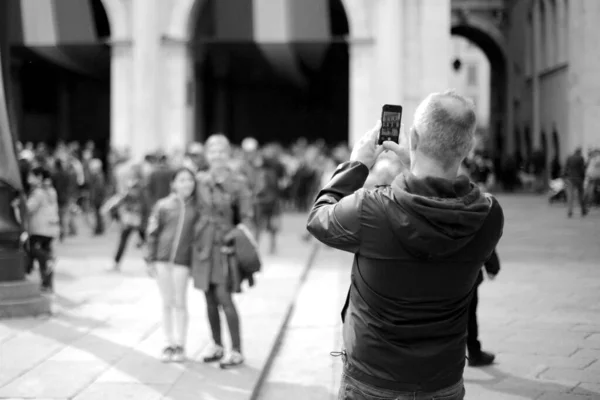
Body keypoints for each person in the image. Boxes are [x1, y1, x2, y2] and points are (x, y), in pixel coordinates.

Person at [307, 90, 504, 399]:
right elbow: (455, 195)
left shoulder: (370, 209)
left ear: (413, 136)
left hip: (372, 381)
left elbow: (319, 218)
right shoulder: (489, 215)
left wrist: (357, 165)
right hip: (443, 381)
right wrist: (421, 162)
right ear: (468, 146)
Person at [192, 134, 255, 369]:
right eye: (212, 151)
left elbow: (248, 218)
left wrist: (234, 238)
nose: (217, 155)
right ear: (206, 155)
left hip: (225, 247)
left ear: (228, 154)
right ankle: (217, 345)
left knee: (224, 298)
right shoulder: (199, 180)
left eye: (221, 151)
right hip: (202, 247)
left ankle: (237, 350)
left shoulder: (238, 182)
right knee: (208, 298)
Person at [146, 168, 198, 363]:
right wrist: (149, 259)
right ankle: (168, 342)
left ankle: (181, 344)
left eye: (190, 180)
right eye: (182, 180)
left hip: (182, 262)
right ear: (173, 184)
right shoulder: (163, 206)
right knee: (167, 302)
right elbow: (152, 233)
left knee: (180, 302)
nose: (187, 184)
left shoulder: (196, 208)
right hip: (162, 260)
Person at [24, 166, 60, 293]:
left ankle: (29, 276)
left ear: (38, 177)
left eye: (31, 176)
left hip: (39, 229)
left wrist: (19, 204)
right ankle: (47, 284)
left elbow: (29, 208)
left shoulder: (38, 192)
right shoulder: (51, 190)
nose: (28, 178)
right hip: (51, 229)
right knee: (44, 255)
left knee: (33, 251)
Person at [467, 249, 500, 367]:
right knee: (468, 314)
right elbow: (484, 233)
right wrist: (492, 265)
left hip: (435, 271)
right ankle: (474, 353)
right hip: (465, 271)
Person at [563, 147, 587, 218]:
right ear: (579, 152)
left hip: (570, 179)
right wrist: (583, 177)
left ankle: (570, 211)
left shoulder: (569, 158)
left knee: (570, 196)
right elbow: (582, 169)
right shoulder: (580, 158)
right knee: (580, 194)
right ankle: (583, 209)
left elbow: (566, 168)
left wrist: (564, 176)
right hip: (579, 179)